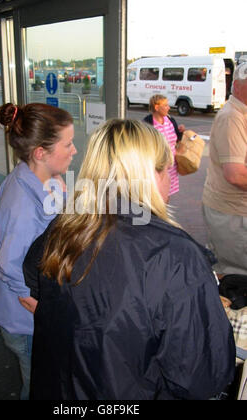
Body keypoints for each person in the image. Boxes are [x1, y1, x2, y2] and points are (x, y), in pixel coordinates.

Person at [24, 119, 235, 400]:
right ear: (153, 174)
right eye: (167, 170)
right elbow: (204, 375)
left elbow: (34, 278)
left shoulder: (66, 226)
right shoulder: (173, 253)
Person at [0, 102, 76, 400]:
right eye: (68, 144)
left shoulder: (36, 175)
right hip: (24, 323)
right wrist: (40, 309)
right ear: (40, 153)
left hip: (24, 314)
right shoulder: (22, 205)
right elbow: (9, 265)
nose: (74, 150)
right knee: (39, 386)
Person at [202, 62, 247, 276]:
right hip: (233, 215)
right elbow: (235, 174)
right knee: (235, 274)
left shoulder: (242, 113)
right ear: (238, 86)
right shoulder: (232, 117)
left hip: (236, 212)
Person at [144, 95, 185, 196]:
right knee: (156, 196)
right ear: (157, 107)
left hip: (171, 167)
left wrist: (181, 132)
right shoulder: (147, 123)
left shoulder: (170, 120)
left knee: (167, 194)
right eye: (165, 105)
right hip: (156, 168)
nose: (169, 107)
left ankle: (164, 211)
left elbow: (177, 139)